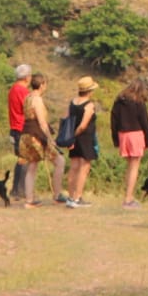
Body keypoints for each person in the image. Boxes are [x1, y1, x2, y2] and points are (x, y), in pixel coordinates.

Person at [111, 79, 148, 207]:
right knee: (134, 167)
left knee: (129, 166)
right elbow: (145, 123)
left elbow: (113, 121)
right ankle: (128, 198)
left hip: (123, 134)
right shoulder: (139, 102)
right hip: (136, 134)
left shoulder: (118, 102)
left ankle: (128, 195)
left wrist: (115, 139)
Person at [61, 76, 101, 207]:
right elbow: (83, 125)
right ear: (89, 91)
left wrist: (68, 137)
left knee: (73, 167)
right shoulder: (89, 105)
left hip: (73, 139)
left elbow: (65, 118)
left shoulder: (72, 102)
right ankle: (77, 197)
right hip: (84, 138)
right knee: (84, 168)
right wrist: (74, 135)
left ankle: (70, 197)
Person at [16, 74, 54, 208]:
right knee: (34, 167)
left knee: (31, 167)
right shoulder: (37, 99)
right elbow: (42, 122)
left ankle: (29, 199)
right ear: (42, 85)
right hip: (34, 134)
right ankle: (31, 199)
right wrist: (50, 138)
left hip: (25, 133)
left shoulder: (27, 97)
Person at [7, 63, 32, 199]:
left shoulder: (13, 89)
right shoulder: (22, 91)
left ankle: (16, 189)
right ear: (27, 77)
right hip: (21, 127)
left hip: (15, 127)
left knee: (22, 158)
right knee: (24, 158)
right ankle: (19, 190)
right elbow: (28, 109)